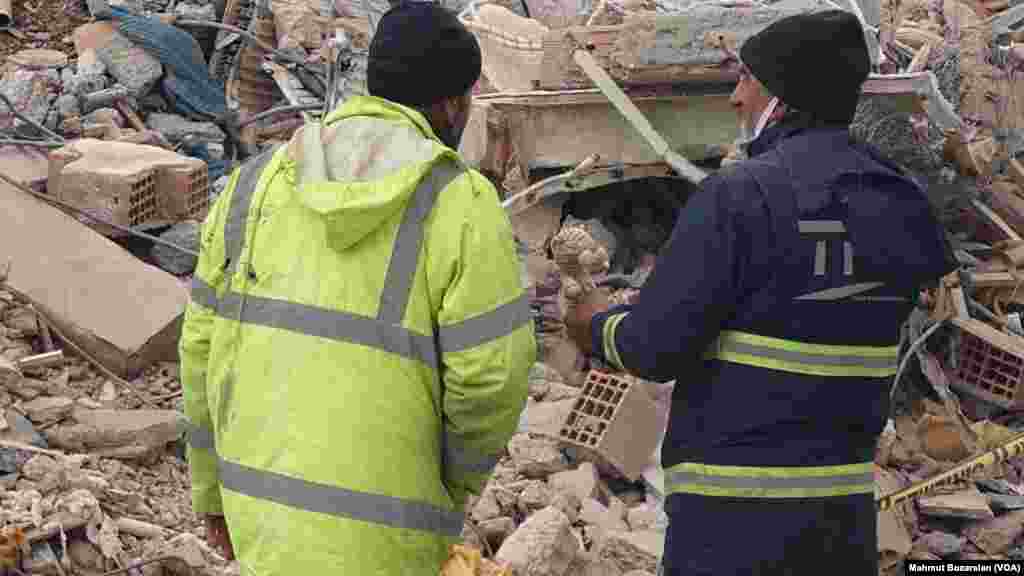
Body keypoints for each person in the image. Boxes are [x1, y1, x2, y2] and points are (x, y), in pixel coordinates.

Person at [566, 10, 955, 575]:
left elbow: (653, 349)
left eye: (747, 79)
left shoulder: (741, 196)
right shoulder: (900, 201)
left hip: (731, 521)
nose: (735, 98)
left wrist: (594, 324)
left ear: (784, 96)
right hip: (841, 522)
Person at [179, 3, 536, 573]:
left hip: (260, 519)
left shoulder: (253, 184)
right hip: (388, 533)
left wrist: (210, 491)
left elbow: (199, 351)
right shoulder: (462, 202)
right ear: (454, 104)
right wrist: (453, 483)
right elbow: (490, 378)